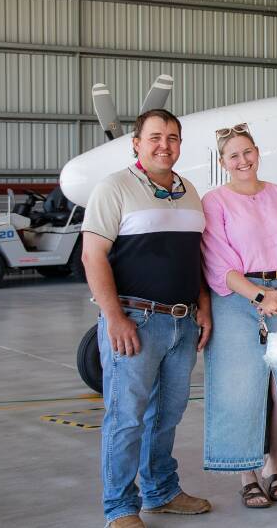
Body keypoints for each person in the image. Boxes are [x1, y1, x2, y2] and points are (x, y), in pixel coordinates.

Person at [82, 108, 212, 528]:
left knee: (167, 415)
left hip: (182, 321)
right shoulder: (114, 187)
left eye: (173, 138)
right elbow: (92, 255)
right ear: (136, 143)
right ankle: (119, 507)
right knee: (126, 417)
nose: (165, 145)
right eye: (156, 137)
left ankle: (160, 491)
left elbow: (196, 256)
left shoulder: (188, 189)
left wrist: (203, 305)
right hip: (135, 321)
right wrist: (114, 317)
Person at [200, 123, 277, 508]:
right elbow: (218, 260)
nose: (243, 160)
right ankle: (246, 474)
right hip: (236, 299)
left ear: (258, 153)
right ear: (223, 162)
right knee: (241, 387)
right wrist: (260, 295)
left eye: (247, 152)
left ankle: (274, 467)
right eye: (234, 155)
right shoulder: (215, 201)